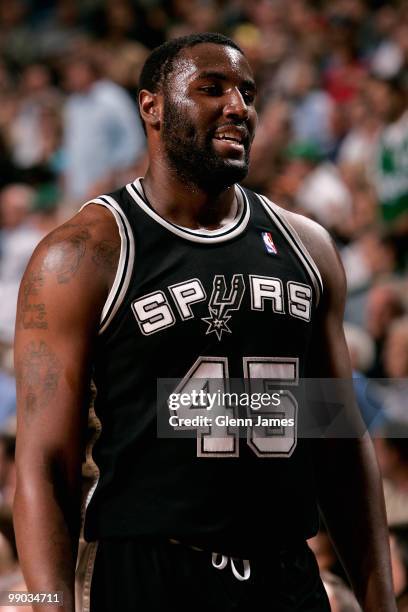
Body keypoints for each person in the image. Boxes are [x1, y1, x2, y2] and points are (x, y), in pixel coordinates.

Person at [13, 33, 396, 612]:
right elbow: (43, 467)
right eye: (211, 89)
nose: (238, 107)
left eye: (247, 92)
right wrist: (48, 604)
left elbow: (340, 444)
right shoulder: (82, 255)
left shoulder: (308, 248)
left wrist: (381, 603)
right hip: (151, 573)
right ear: (152, 108)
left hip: (286, 571)